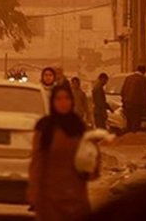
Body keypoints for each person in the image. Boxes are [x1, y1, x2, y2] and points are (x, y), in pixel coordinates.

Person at [28, 84, 92, 220]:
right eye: (58, 99)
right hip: (50, 198)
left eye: (67, 98)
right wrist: (34, 192)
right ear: (52, 102)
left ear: (72, 101)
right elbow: (37, 162)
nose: (63, 103)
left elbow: (90, 169)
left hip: (76, 198)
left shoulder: (79, 127)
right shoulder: (45, 128)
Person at [119, 66, 146, 134]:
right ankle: (134, 137)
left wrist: (124, 102)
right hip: (137, 105)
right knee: (136, 122)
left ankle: (128, 137)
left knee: (129, 122)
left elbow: (122, 92)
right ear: (144, 71)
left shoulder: (128, 78)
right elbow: (145, 94)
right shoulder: (143, 80)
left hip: (127, 104)